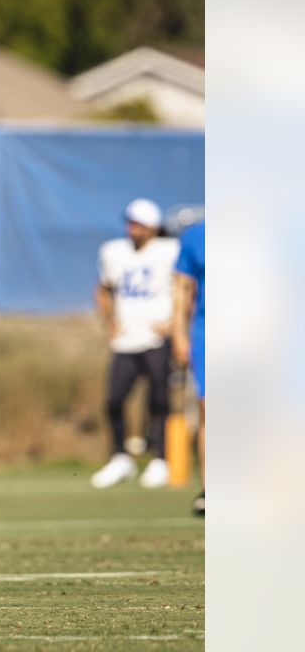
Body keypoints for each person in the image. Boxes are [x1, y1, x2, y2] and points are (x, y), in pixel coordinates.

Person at [89, 199, 180, 489]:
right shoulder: (114, 252)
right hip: (127, 339)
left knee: (159, 400)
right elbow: (103, 289)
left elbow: (186, 287)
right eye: (130, 223)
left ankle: (161, 459)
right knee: (114, 400)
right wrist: (109, 322)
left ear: (152, 227)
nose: (132, 229)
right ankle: (120, 458)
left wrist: (174, 325)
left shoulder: (169, 251)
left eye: (138, 223)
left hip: (157, 338)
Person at [172, 221, 205, 515]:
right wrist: (180, 334)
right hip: (207, 330)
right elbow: (183, 286)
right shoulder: (196, 236)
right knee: (209, 407)